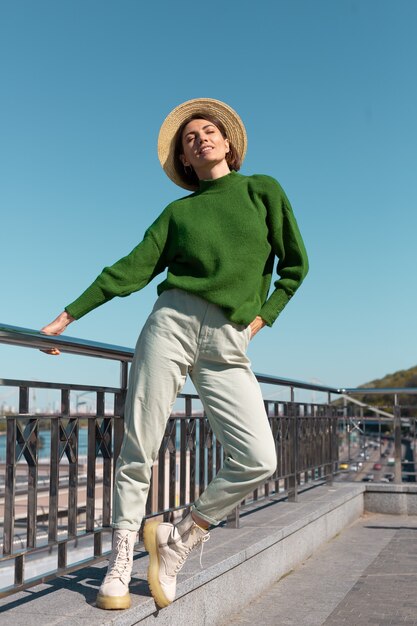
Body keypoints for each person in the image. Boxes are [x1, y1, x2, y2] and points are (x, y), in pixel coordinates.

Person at [41, 98, 309, 611]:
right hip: (171, 323)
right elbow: (130, 268)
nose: (200, 139)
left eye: (209, 131)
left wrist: (259, 320)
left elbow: (295, 268)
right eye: (190, 138)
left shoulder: (263, 191)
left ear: (228, 143)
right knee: (140, 443)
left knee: (258, 458)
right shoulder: (178, 212)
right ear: (185, 161)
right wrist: (68, 316)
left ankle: (180, 536)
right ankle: (122, 559)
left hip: (229, 339)